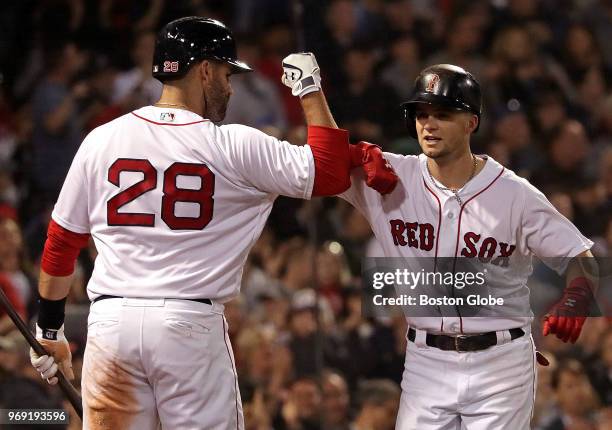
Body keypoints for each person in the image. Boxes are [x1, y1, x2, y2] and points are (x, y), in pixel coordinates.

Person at [27, 16, 387, 429]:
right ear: (204, 69)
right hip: (187, 327)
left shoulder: (102, 138)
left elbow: (61, 241)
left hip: (112, 325)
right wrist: (309, 89)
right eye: (226, 72)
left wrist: (50, 331)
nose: (230, 85)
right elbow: (329, 172)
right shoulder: (232, 143)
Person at [340, 64, 598, 429]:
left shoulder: (514, 193)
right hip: (425, 361)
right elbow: (322, 161)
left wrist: (578, 298)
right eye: (421, 114)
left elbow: (580, 257)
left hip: (501, 363)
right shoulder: (392, 177)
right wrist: (348, 149)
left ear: (471, 122)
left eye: (442, 115)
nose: (428, 124)